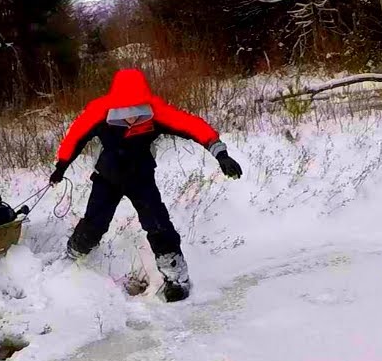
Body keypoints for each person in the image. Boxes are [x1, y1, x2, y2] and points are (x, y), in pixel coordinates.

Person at [50, 68, 243, 302]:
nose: (131, 118)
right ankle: (73, 255)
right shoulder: (100, 110)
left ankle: (176, 278)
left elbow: (191, 125)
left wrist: (220, 153)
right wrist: (61, 166)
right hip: (107, 177)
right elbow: (75, 136)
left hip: (141, 177)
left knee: (158, 226)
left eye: (136, 112)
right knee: (94, 224)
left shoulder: (155, 110)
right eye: (125, 113)